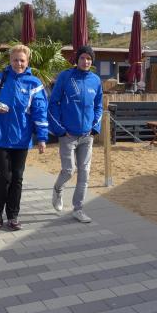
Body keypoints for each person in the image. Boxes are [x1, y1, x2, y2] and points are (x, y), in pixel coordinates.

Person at [0, 44, 48, 230]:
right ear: (10, 60)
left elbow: (40, 112)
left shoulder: (34, 83)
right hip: (0, 137)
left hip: (22, 139)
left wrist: (42, 138)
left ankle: (13, 216)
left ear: (27, 61)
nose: (19, 63)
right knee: (3, 176)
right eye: (15, 60)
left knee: (17, 177)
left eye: (22, 60)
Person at [48, 46, 103, 223]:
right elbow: (53, 103)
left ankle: (78, 209)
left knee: (84, 173)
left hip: (87, 136)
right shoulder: (65, 77)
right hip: (68, 135)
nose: (85, 61)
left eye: (89, 59)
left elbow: (98, 106)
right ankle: (57, 190)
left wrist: (95, 127)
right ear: (77, 59)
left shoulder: (95, 80)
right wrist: (60, 129)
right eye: (82, 58)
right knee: (68, 170)